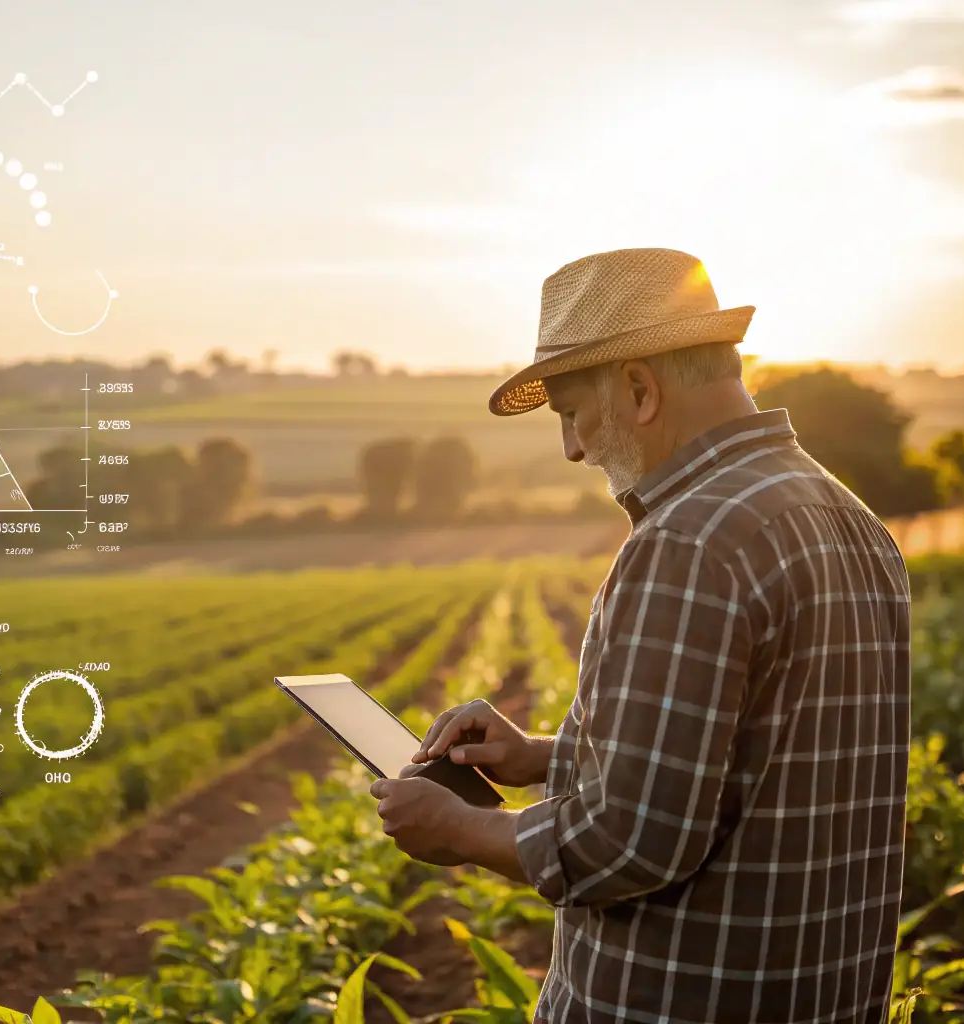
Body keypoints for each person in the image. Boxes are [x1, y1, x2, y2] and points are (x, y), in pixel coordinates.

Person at [370, 248, 911, 1023]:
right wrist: (541, 757)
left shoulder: (687, 541)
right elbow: (761, 762)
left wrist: (461, 828)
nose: (573, 449)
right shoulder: (850, 521)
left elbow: (632, 838)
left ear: (637, 388)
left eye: (570, 413)